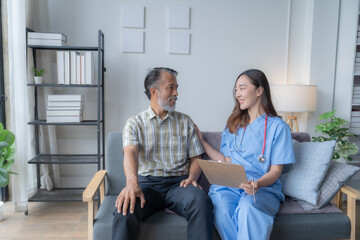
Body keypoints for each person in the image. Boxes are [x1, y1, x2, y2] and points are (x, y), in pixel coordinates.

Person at [112, 67, 213, 240]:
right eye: (171, 88)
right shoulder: (134, 123)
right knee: (124, 209)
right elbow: (130, 154)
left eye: (177, 87)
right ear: (154, 91)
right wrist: (132, 184)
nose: (176, 93)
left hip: (179, 184)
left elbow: (196, 157)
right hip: (147, 184)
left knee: (201, 200)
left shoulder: (185, 121)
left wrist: (192, 178)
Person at [196, 69, 295, 240]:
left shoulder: (278, 127)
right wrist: (202, 142)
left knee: (247, 208)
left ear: (259, 90)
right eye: (236, 90)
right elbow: (227, 159)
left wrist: (257, 184)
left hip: (262, 187)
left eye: (242, 88)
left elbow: (275, 171)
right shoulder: (233, 125)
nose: (237, 94)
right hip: (229, 187)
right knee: (222, 207)